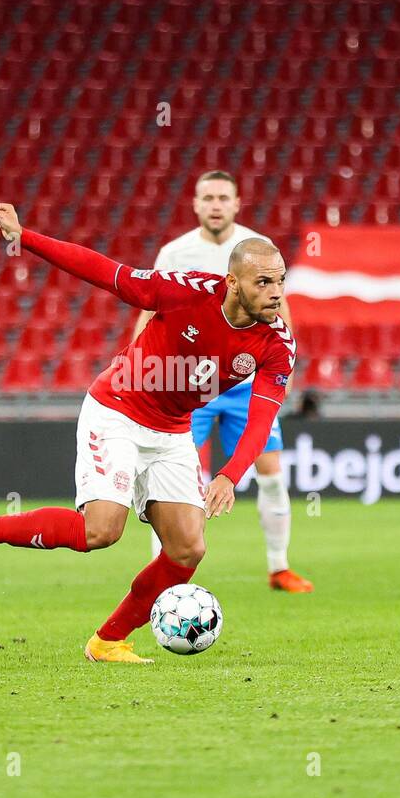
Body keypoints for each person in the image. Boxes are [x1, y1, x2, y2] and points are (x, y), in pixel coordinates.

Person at [0, 202, 296, 663]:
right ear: (233, 283)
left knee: (187, 549)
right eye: (264, 282)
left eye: (280, 280)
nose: (276, 292)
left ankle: (108, 641)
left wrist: (229, 474)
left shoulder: (277, 344)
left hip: (171, 431)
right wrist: (27, 235)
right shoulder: (184, 291)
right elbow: (106, 272)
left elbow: (262, 417)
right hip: (117, 410)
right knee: (101, 531)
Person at [131, 171, 312, 592]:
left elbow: (278, 307)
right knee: (170, 482)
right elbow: (150, 308)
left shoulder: (256, 247)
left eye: (222, 197)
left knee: (271, 473)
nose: (215, 204)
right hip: (186, 386)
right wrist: (139, 365)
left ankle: (279, 566)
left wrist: (285, 368)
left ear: (236, 203)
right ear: (196, 205)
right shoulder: (175, 253)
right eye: (207, 197)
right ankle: (164, 576)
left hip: (244, 383)